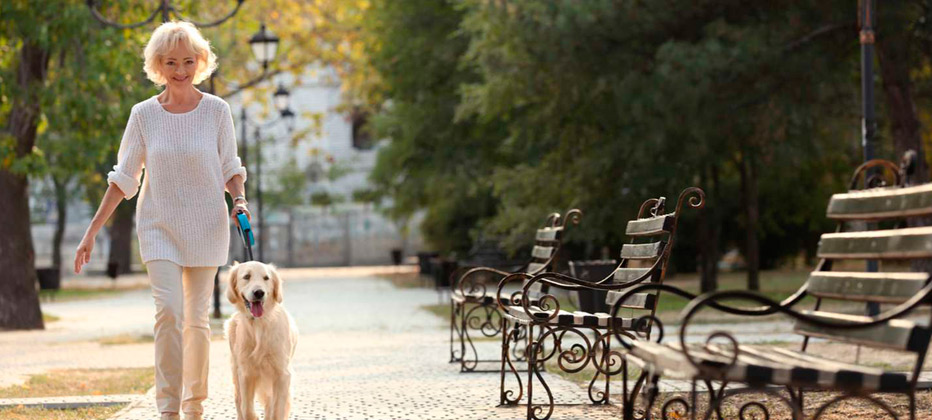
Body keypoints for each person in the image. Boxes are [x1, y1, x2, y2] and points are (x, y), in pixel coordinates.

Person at [73, 20, 250, 420]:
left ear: (201, 62)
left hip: (207, 224)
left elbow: (230, 167)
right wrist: (91, 233)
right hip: (158, 226)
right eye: (171, 62)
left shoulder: (217, 112)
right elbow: (123, 178)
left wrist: (239, 200)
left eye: (189, 61)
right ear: (158, 65)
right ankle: (168, 407)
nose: (181, 70)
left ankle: (194, 405)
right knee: (169, 311)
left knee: (197, 319)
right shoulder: (144, 115)